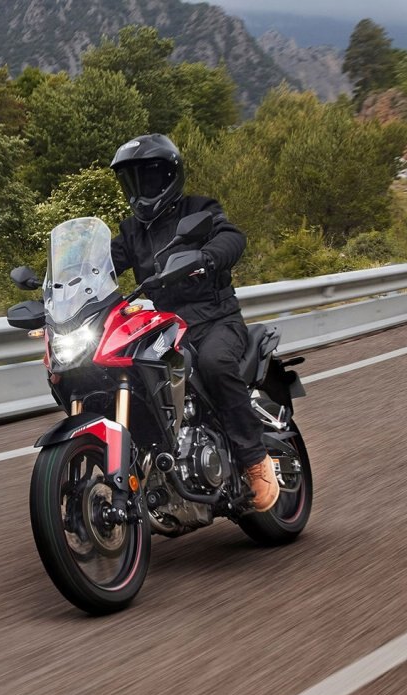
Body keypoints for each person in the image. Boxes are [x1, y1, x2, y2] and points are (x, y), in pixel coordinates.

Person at [108, 134, 280, 513]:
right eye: (132, 181)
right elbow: (103, 266)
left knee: (215, 365)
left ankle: (255, 460)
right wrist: (57, 292)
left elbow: (232, 236)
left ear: (169, 176)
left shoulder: (199, 209)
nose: (140, 189)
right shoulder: (131, 232)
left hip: (216, 319)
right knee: (131, 372)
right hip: (167, 326)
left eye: (148, 179)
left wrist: (206, 256)